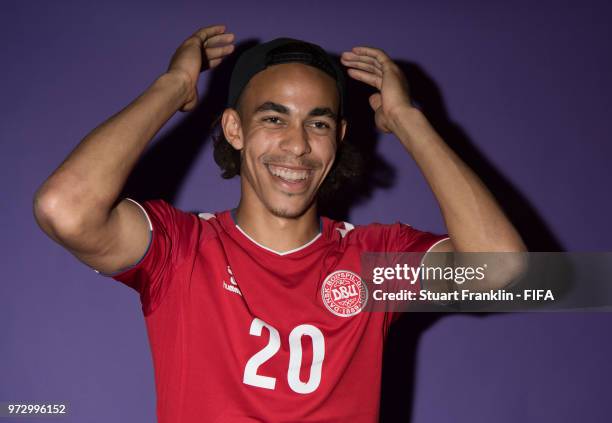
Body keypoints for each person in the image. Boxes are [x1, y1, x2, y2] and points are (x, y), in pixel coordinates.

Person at [33, 24, 526, 422]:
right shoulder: (180, 250)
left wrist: (407, 119)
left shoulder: (374, 265)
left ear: (338, 140)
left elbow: (501, 271)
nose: (297, 145)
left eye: (318, 123)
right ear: (235, 128)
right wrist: (174, 88)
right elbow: (65, 208)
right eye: (274, 119)